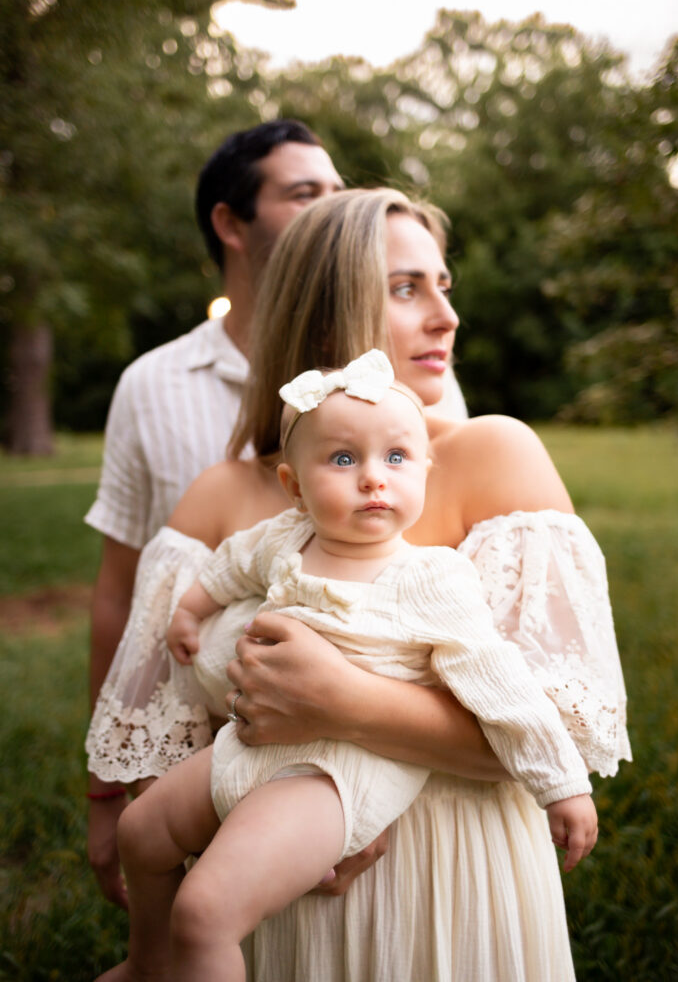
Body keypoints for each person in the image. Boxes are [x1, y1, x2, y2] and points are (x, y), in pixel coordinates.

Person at [87, 188, 630, 981]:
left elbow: (548, 733)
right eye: (407, 288)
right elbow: (164, 747)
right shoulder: (221, 502)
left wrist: (343, 703)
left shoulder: (493, 453)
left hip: (455, 875)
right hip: (267, 882)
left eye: (444, 287)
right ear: (319, 310)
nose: (445, 317)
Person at [85, 122, 467, 905]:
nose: (336, 208)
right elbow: (127, 601)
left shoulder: (434, 418)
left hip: (406, 825)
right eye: (306, 195)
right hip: (231, 774)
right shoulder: (160, 396)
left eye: (337, 192)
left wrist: (359, 765)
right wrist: (112, 793)